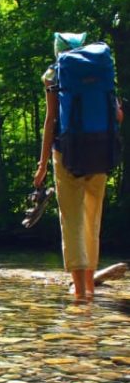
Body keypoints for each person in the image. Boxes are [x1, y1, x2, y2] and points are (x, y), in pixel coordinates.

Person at [34, 32, 124, 301]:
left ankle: (80, 292)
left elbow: (51, 121)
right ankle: (90, 286)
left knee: (71, 219)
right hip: (100, 152)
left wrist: (41, 165)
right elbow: (117, 114)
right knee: (92, 219)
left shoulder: (53, 75)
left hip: (66, 154)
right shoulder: (102, 68)